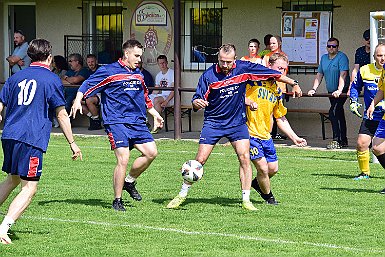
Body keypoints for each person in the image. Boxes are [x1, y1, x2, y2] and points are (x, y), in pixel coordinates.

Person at [166, 43, 302, 211]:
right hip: (213, 123)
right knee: (199, 161)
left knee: (244, 158)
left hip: (237, 123)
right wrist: (196, 103)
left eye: (228, 62)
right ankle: (181, 195)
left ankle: (246, 200)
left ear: (235, 60)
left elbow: (271, 73)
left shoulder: (243, 69)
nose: (225, 65)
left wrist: (293, 82)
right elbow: (196, 99)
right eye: (222, 61)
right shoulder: (208, 76)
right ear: (218, 59)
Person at [0, 38, 82, 244]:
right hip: (30, 138)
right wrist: (72, 143)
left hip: (9, 135)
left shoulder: (15, 77)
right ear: (49, 56)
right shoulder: (51, 79)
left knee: (13, 179)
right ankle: (4, 227)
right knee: (30, 187)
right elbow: (61, 115)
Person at [70, 39, 164, 212]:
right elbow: (87, 84)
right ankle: (117, 200)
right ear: (126, 53)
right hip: (116, 121)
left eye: (140, 56)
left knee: (151, 153)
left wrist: (155, 114)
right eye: (136, 56)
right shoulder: (108, 71)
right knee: (123, 159)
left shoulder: (139, 74)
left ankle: (129, 181)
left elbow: (144, 97)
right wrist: (77, 100)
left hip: (137, 122)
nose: (139, 59)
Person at [244, 53, 307, 205]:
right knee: (263, 168)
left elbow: (280, 118)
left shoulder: (277, 90)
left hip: (266, 135)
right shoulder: (252, 80)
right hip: (249, 133)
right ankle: (269, 198)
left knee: (273, 169)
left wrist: (294, 137)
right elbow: (236, 96)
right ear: (269, 67)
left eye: (284, 70)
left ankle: (257, 184)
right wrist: (248, 101)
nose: (281, 72)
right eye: (279, 68)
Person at [350, 44, 385, 180]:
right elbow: (355, 86)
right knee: (362, 143)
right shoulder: (365, 70)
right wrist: (353, 100)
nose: (383, 58)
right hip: (372, 115)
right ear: (374, 56)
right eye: (379, 55)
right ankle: (365, 173)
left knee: (379, 147)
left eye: (384, 55)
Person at [308, 37, 350, 149]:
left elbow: (343, 74)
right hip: (331, 91)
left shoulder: (342, 57)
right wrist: (314, 89)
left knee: (333, 112)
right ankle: (343, 140)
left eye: (334, 46)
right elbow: (319, 75)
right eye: (329, 46)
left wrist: (340, 90)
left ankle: (336, 140)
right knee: (338, 113)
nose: (331, 48)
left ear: (338, 47)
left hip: (342, 90)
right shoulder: (324, 58)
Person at [263, 35, 289, 140]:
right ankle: (269, 134)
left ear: (280, 43)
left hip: (280, 88)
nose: (272, 45)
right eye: (270, 43)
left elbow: (282, 74)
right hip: (267, 88)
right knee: (268, 112)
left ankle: (274, 134)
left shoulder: (284, 56)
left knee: (278, 113)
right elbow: (264, 72)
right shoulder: (266, 56)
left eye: (274, 43)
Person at [148, 55, 174, 133]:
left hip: (171, 98)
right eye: (160, 63)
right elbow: (156, 90)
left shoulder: (172, 73)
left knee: (156, 100)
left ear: (167, 63)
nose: (162, 65)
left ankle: (158, 123)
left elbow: (174, 90)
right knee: (145, 99)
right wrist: (149, 98)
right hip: (162, 96)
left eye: (164, 63)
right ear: (158, 64)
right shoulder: (159, 75)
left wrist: (166, 101)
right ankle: (145, 122)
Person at [82, 54, 102, 130]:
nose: (91, 63)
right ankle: (93, 118)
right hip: (90, 94)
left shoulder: (101, 70)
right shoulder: (87, 72)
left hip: (101, 94)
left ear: (96, 61)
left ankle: (96, 120)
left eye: (92, 61)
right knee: (76, 102)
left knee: (89, 100)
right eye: (89, 62)